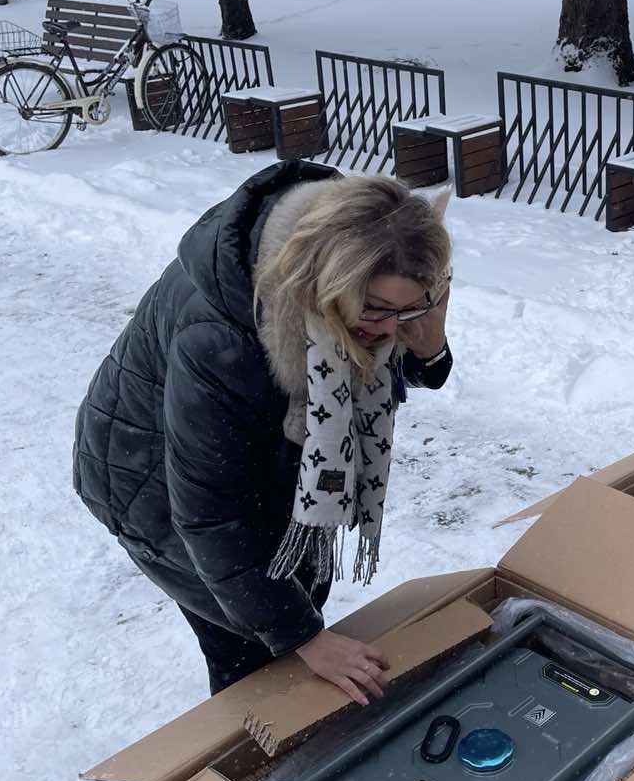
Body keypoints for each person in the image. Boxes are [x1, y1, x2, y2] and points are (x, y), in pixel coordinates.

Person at [73, 161, 453, 701]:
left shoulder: (376, 247)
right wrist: (305, 639)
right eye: (377, 310)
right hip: (148, 483)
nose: (391, 328)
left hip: (244, 465)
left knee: (294, 593)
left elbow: (386, 358)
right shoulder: (220, 340)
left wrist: (427, 344)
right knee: (255, 654)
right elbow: (210, 518)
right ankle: (244, 741)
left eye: (410, 309)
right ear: (324, 284)